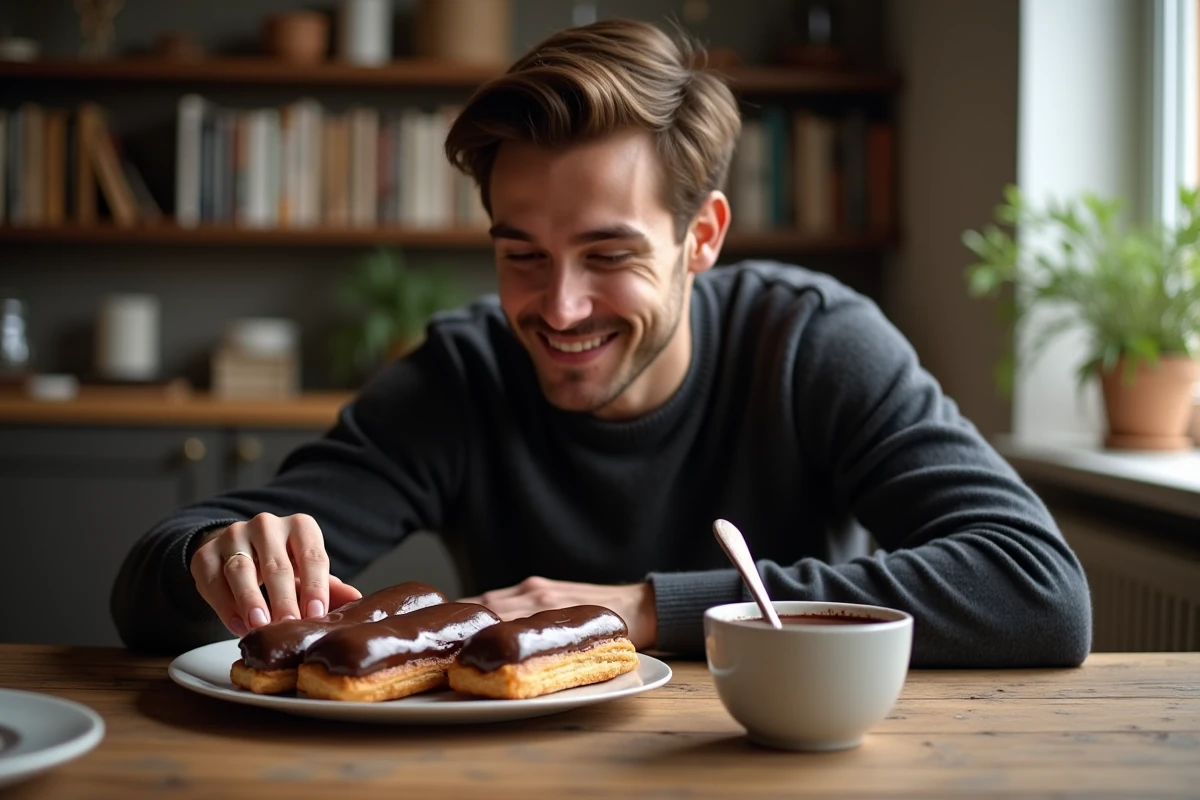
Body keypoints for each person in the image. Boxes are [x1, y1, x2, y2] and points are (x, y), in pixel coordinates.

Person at [111, 18, 1091, 666]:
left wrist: (646, 608)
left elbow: (1037, 589)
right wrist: (216, 557)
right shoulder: (465, 373)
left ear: (701, 236)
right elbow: (147, 593)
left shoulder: (812, 343)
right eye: (522, 255)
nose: (561, 307)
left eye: (608, 254)